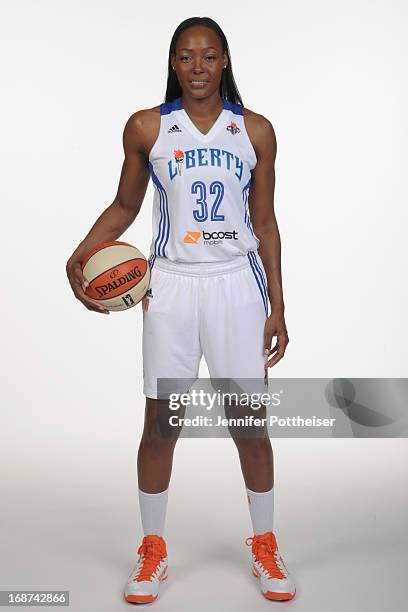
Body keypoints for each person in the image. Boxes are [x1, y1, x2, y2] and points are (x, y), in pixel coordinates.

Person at [66, 15, 296, 604]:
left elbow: (266, 224)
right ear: (174, 63)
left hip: (236, 288)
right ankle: (152, 550)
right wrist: (83, 252)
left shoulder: (256, 132)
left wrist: (278, 304)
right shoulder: (148, 128)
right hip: (168, 287)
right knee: (161, 423)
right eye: (187, 57)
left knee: (250, 424)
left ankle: (266, 543)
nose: (198, 67)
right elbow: (125, 204)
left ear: (225, 62)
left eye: (209, 56)